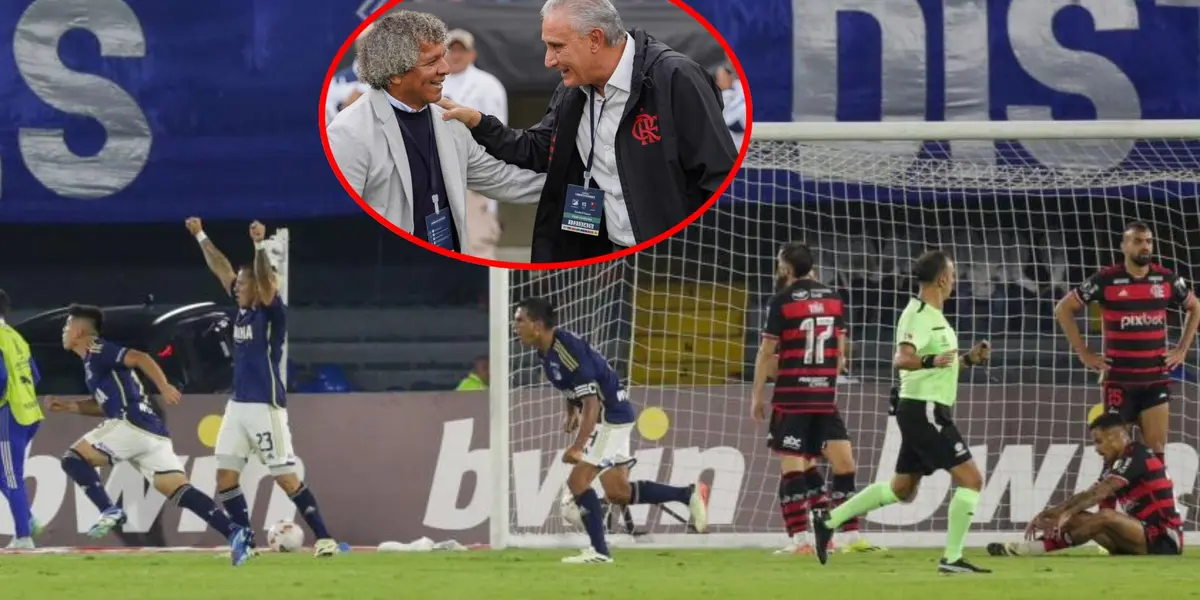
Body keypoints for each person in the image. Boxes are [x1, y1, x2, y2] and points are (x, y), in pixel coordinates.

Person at [438, 0, 738, 262]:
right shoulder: (572, 91)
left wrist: (694, 255)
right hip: (609, 262)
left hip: (679, 261)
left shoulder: (676, 77)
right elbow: (537, 149)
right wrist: (479, 122)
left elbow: (719, 176)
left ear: (595, 39)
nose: (548, 60)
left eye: (557, 46)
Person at [810, 250, 993, 574]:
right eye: (952, 274)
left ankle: (828, 521)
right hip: (925, 411)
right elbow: (902, 359)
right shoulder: (917, 315)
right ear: (942, 279)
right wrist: (930, 360)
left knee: (901, 489)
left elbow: (938, 367)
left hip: (924, 409)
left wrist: (967, 360)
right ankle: (952, 559)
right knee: (972, 480)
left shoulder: (935, 317)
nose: (954, 280)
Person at [326, 11, 546, 257]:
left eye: (443, 56)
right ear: (395, 72)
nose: (445, 68)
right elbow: (340, 226)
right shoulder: (350, 132)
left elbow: (502, 178)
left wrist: (573, 188)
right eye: (432, 62)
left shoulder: (449, 120)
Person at [49, 304, 253, 565]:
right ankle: (235, 533)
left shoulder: (98, 349)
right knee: (180, 490)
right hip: (151, 432)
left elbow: (140, 357)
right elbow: (104, 404)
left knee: (73, 459)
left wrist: (164, 386)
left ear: (79, 330)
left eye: (67, 325)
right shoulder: (91, 363)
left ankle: (109, 510)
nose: (64, 331)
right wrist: (69, 407)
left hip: (130, 424)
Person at [186, 217, 339, 558]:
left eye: (242, 284)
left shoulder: (271, 314)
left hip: (265, 407)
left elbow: (267, 282)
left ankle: (325, 538)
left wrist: (258, 246)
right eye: (238, 284)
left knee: (285, 478)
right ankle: (245, 542)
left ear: (257, 287)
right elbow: (221, 268)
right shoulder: (242, 309)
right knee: (225, 477)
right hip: (237, 406)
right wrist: (201, 235)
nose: (236, 288)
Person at [513, 297, 709, 564]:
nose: (515, 326)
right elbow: (572, 385)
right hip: (614, 415)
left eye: (520, 320)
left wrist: (578, 446)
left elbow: (592, 403)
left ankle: (600, 552)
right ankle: (687, 494)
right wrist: (570, 410)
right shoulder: (546, 350)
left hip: (610, 418)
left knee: (577, 483)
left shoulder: (567, 351)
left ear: (537, 325)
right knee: (618, 491)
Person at [751, 243, 880, 555]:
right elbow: (841, 354)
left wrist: (757, 395)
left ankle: (820, 537)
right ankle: (819, 538)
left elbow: (766, 353)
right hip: (822, 394)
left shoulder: (781, 301)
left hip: (795, 397)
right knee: (833, 464)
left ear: (785, 268)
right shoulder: (834, 298)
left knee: (800, 467)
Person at [1055, 221, 1200, 462]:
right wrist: (1084, 353)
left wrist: (1182, 349)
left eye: (1149, 241)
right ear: (1124, 246)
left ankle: (1156, 488)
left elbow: (1195, 307)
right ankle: (1113, 489)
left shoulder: (1166, 279)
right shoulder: (1106, 280)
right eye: (1138, 241)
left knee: (1156, 456)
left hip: (1154, 379)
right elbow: (1063, 309)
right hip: (1119, 381)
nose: (1145, 246)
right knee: (1116, 456)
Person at [988, 411, 1182, 557]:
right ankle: (1035, 545)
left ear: (1116, 437)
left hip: (1164, 540)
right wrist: (1053, 512)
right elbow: (1090, 493)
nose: (1096, 449)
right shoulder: (1114, 463)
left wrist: (1067, 512)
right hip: (1139, 538)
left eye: (1099, 441)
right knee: (1077, 517)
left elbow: (1102, 492)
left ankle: (1033, 549)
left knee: (1105, 516)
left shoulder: (1137, 456)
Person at [441, 28, 507, 260]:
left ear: (473, 54)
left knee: (478, 244)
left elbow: (498, 134)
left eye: (462, 50)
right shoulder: (434, 82)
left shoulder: (487, 85)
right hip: (440, 175)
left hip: (475, 176)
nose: (456, 55)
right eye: (451, 49)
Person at [0, 290, 45, 549]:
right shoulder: (14, 336)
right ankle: (27, 518)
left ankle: (24, 537)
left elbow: (1, 378)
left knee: (11, 476)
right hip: (29, 412)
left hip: (9, 414)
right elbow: (35, 376)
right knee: (5, 472)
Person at [711, 61, 746, 148]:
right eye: (719, 79)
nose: (720, 82)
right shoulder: (719, 97)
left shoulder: (741, 89)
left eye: (723, 77)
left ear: (730, 76)